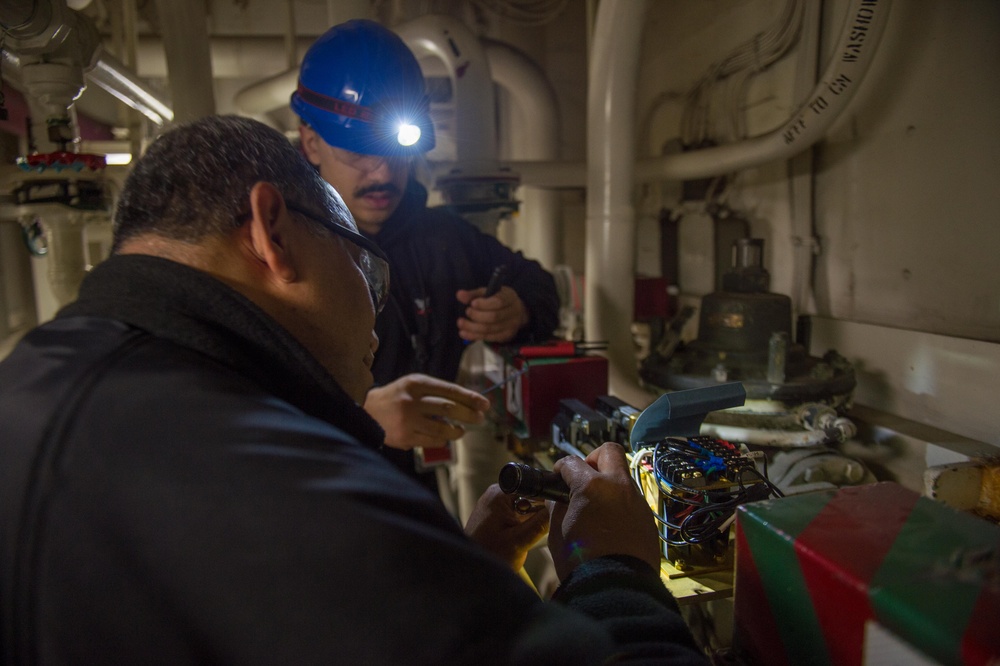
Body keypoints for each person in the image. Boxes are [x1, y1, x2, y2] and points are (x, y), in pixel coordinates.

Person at [0, 115, 706, 664]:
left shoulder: (47, 372)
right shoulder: (267, 483)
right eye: (368, 272)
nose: (375, 315)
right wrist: (616, 569)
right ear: (273, 232)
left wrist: (466, 571)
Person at [291, 19, 561, 494]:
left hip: (422, 492)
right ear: (311, 142)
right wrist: (360, 417)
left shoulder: (444, 240)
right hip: (318, 499)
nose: (382, 173)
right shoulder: (283, 251)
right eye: (358, 153)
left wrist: (518, 307)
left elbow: (537, 284)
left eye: (397, 152)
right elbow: (233, 402)